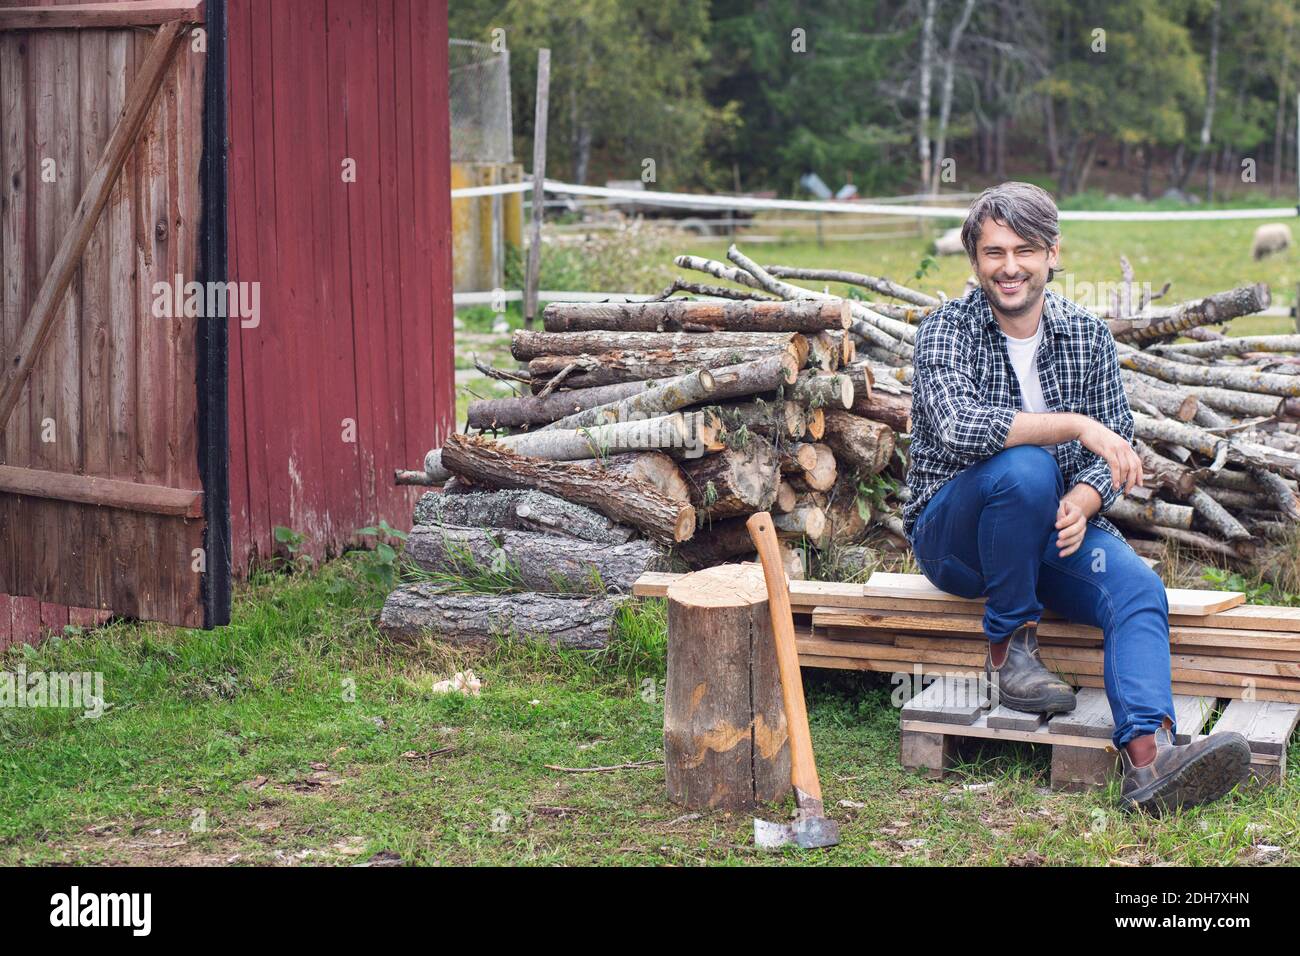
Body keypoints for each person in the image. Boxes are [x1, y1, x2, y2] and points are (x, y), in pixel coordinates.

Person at [904, 181, 1251, 813]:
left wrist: (1087, 499)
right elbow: (958, 428)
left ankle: (1151, 761)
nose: (1010, 267)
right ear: (975, 260)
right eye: (993, 252)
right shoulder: (946, 331)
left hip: (1042, 531)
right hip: (955, 538)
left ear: (1052, 253)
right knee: (1028, 468)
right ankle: (1012, 648)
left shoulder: (1084, 334)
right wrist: (1072, 425)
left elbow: (1115, 437)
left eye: (1025, 250)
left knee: (1138, 590)